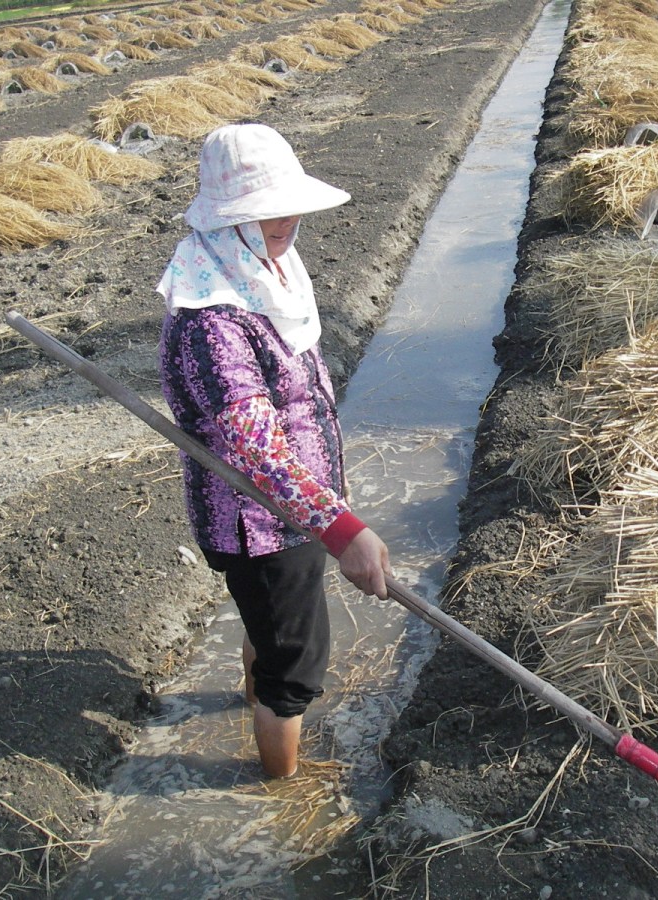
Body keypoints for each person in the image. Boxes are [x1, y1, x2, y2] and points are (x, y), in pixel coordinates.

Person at [157, 123, 392, 779]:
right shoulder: (212, 315)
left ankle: (252, 699)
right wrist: (345, 531)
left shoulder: (262, 268)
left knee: (270, 630)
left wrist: (328, 514)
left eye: (287, 203)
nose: (285, 218)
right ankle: (282, 797)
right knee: (296, 667)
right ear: (227, 218)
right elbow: (258, 452)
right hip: (262, 523)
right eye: (263, 209)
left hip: (297, 510)